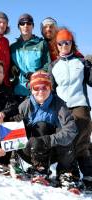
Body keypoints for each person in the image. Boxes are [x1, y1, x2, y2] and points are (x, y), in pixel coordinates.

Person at [16, 70, 79, 188]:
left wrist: (48, 140)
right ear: (31, 89)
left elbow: (71, 130)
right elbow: (13, 130)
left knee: (63, 133)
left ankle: (65, 172)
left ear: (50, 88)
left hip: (54, 151)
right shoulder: (24, 106)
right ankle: (39, 168)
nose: (40, 91)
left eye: (44, 87)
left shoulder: (59, 105)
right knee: (37, 126)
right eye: (36, 88)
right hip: (31, 150)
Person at [49, 28, 92, 190]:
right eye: (61, 43)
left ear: (72, 44)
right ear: (57, 45)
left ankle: (88, 174)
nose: (64, 45)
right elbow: (51, 89)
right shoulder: (53, 65)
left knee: (81, 138)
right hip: (62, 107)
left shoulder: (81, 62)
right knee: (65, 139)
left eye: (67, 42)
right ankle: (66, 172)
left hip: (80, 104)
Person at [10, 13, 51, 102]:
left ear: (33, 26)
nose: (25, 26)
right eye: (22, 23)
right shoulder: (13, 48)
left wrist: (34, 76)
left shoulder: (41, 44)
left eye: (29, 23)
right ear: (18, 27)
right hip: (18, 92)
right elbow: (9, 69)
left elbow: (47, 65)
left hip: (38, 92)